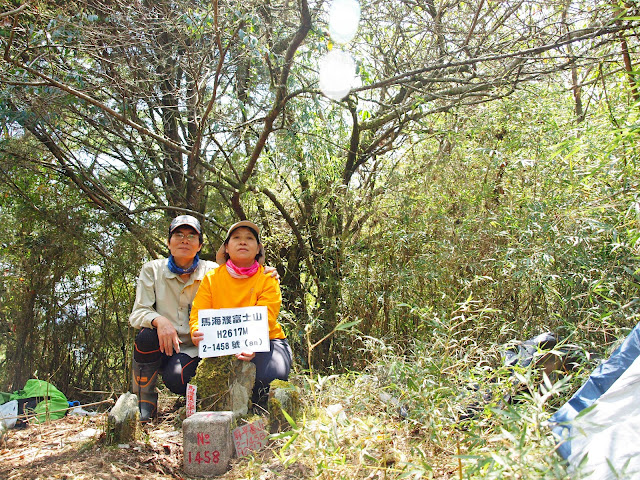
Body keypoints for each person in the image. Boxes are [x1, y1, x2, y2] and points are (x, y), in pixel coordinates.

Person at [128, 215, 278, 422]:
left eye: (192, 236)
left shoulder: (213, 271)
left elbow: (241, 276)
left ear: (200, 245)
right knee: (145, 337)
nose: (185, 240)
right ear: (168, 242)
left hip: (201, 348)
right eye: (178, 235)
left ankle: (212, 402)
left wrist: (267, 271)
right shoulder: (152, 270)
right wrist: (159, 321)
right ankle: (145, 401)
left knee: (178, 378)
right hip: (166, 344)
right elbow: (138, 313)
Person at [189, 220, 292, 407]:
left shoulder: (267, 278)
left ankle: (260, 410)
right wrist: (196, 331)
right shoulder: (212, 278)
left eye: (249, 238)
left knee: (270, 376)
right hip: (223, 343)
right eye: (236, 238)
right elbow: (199, 310)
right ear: (226, 248)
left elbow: (268, 315)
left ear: (258, 248)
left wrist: (251, 342)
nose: (243, 242)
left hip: (266, 340)